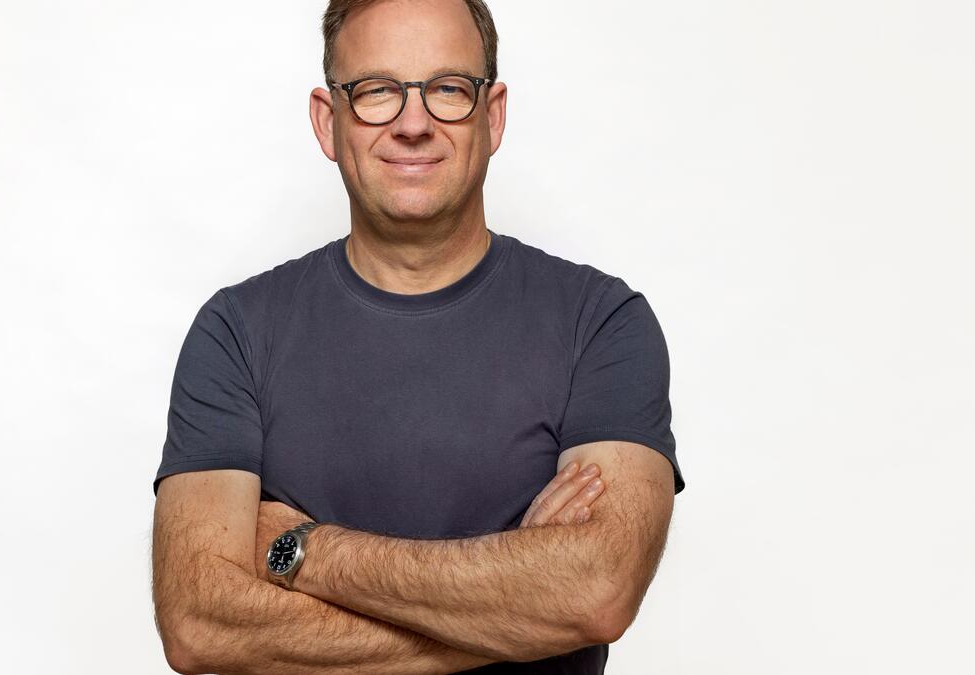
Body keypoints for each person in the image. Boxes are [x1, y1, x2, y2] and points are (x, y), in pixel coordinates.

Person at [150, 1, 685, 673]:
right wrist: (515, 612)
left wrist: (308, 551)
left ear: (492, 116)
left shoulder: (600, 322)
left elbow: (596, 593)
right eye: (376, 91)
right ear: (328, 120)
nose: (412, 124)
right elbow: (199, 626)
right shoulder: (235, 332)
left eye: (448, 89)